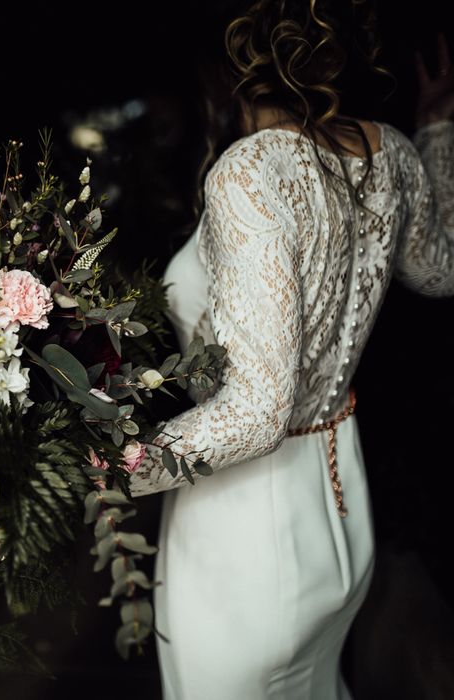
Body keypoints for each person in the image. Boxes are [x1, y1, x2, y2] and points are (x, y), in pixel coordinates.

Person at [128, 1, 454, 698]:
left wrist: (104, 470)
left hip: (245, 542)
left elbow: (254, 411)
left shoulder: (249, 173)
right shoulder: (392, 152)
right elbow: (440, 270)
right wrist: (439, 127)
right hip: (341, 516)